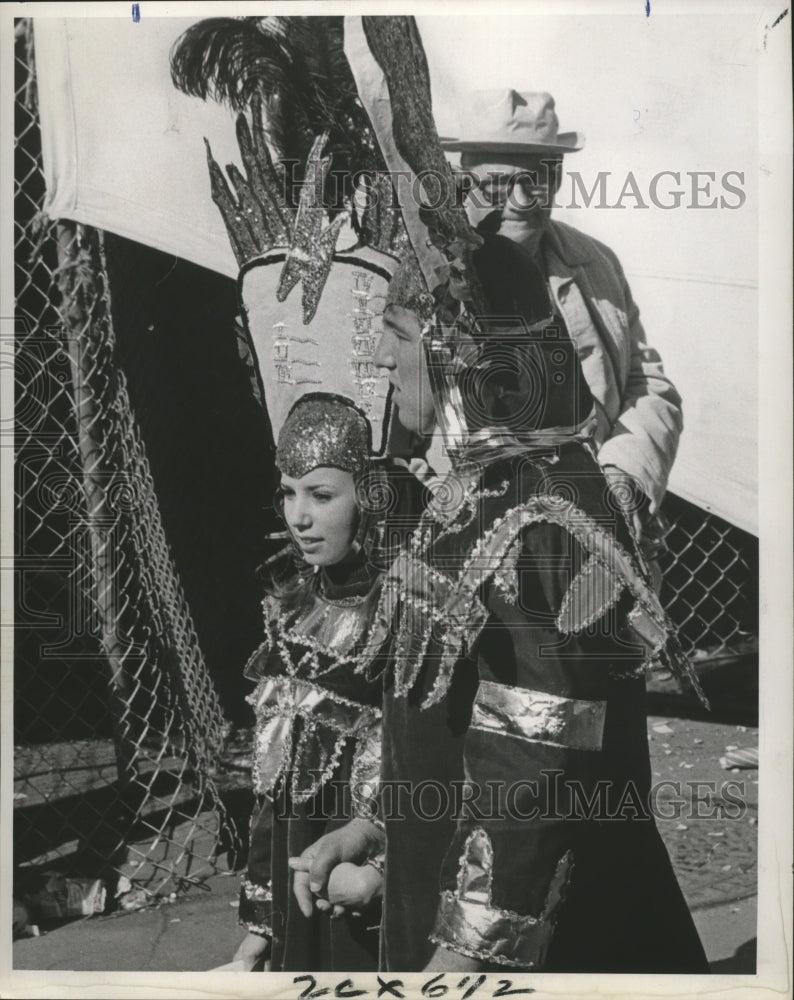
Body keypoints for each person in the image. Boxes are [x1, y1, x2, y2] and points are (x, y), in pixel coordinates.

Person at [290, 235, 709, 973]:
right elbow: (449, 730)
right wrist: (376, 826)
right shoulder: (481, 498)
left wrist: (465, 959)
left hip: (546, 944)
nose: (383, 361)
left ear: (460, 345)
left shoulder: (542, 515)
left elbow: (537, 762)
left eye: (395, 334)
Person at [442, 90, 681, 568]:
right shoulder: (429, 280)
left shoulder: (596, 263)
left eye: (540, 179)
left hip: (606, 538)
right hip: (482, 555)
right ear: (462, 183)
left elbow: (647, 385)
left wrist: (626, 476)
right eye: (497, 185)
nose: (523, 202)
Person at [232, 392, 388, 973]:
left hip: (363, 866)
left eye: (321, 496)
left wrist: (380, 869)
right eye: (288, 493)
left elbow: (427, 759)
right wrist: (262, 925)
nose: (299, 517)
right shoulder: (289, 606)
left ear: (367, 497)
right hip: (297, 865)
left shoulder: (399, 611)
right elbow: (272, 789)